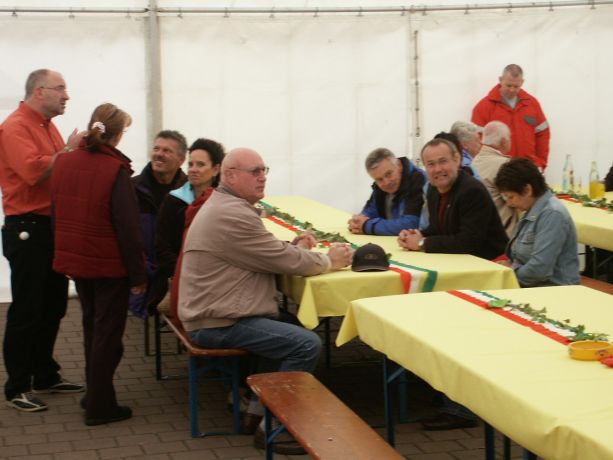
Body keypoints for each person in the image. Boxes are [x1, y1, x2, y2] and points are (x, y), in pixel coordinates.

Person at [178, 147, 353, 454]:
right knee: (305, 344)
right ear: (230, 176)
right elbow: (280, 259)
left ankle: (256, 412)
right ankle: (275, 428)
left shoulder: (227, 206)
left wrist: (293, 246)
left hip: (217, 311)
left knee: (286, 325)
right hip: (216, 321)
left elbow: (262, 251)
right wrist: (329, 261)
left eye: (264, 170)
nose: (262, 177)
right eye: (255, 172)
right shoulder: (232, 213)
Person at [51, 103, 146, 425]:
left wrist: (64, 253)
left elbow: (57, 212)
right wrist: (138, 275)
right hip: (109, 266)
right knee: (108, 336)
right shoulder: (114, 170)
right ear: (117, 135)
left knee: (92, 328)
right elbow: (128, 228)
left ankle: (94, 394)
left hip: (79, 262)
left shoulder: (64, 162)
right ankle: (100, 405)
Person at [0, 69, 85, 412]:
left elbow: (58, 169)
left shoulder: (46, 125)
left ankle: (44, 374)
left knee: (53, 305)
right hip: (28, 227)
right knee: (27, 308)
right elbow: (34, 171)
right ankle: (17, 386)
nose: (66, 95)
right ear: (39, 91)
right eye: (60, 88)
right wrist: (69, 150)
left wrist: (71, 153)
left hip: (48, 226)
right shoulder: (15, 127)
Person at [398, 138, 508, 260]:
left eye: (443, 161)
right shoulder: (433, 189)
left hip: (491, 263)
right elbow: (438, 229)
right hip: (459, 261)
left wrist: (422, 243)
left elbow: (468, 242)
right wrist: (414, 236)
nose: (438, 169)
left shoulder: (472, 191)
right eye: (431, 164)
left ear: (456, 160)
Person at [494, 158, 580, 287]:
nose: (509, 203)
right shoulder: (532, 208)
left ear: (527, 190)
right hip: (532, 285)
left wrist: (510, 273)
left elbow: (540, 269)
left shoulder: (552, 214)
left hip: (553, 290)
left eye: (511, 197)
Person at [155, 138, 225, 287]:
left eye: (200, 164)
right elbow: (162, 245)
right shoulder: (173, 200)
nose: (193, 169)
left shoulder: (225, 202)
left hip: (216, 280)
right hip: (179, 278)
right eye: (191, 164)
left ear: (216, 169)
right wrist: (182, 272)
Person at [132, 130, 188, 312]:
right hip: (143, 272)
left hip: (177, 273)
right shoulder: (132, 188)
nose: (159, 154)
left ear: (181, 159)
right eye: (156, 149)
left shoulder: (189, 192)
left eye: (167, 151)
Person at [472, 64, 550, 170]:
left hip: (528, 169)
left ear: (522, 82)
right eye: (508, 85)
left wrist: (540, 163)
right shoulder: (484, 107)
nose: (512, 90)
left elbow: (543, 133)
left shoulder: (532, 104)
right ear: (500, 80)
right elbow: (476, 141)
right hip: (499, 170)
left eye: (516, 86)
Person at [348, 147, 426, 235]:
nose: (386, 182)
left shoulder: (419, 179)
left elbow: (411, 224)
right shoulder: (379, 187)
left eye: (389, 174)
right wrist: (356, 222)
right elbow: (368, 213)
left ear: (399, 165)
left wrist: (367, 226)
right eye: (379, 179)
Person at [472, 121, 518, 237]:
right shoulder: (504, 165)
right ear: (503, 142)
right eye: (510, 138)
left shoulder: (474, 162)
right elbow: (519, 200)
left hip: (479, 231)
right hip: (502, 235)